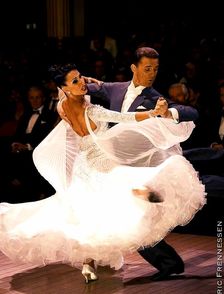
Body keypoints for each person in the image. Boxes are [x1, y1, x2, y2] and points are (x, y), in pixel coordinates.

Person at [0, 63, 205, 285]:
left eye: (81, 77)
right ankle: (142, 192)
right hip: (103, 161)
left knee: (90, 217)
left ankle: (89, 264)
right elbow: (124, 118)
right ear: (65, 88)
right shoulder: (93, 111)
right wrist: (153, 113)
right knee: (119, 195)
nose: (82, 83)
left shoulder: (61, 107)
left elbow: (72, 124)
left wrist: (92, 84)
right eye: (76, 81)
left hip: (82, 165)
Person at [84, 47, 199, 281]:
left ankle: (168, 262)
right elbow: (92, 86)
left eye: (155, 69)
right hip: (113, 162)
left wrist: (169, 113)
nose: (152, 74)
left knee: (132, 217)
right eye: (147, 68)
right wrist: (79, 81)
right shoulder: (116, 89)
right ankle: (168, 262)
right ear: (134, 68)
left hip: (137, 164)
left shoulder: (154, 98)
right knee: (124, 216)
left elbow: (192, 112)